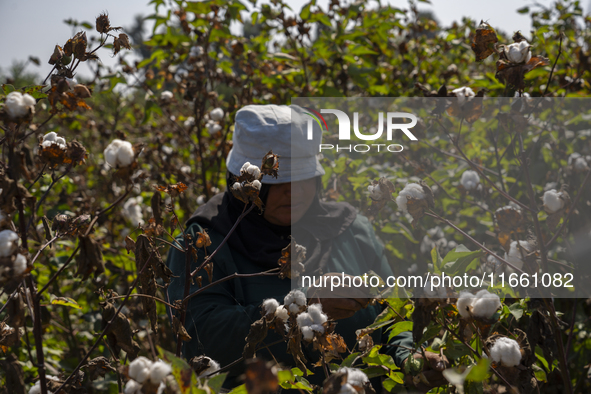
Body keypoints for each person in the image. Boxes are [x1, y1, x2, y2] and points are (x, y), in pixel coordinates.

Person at [166, 104, 447, 391]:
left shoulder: (351, 229)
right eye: (279, 180)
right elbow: (200, 341)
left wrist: (409, 359)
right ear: (243, 182)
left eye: (303, 177)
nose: (294, 191)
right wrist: (302, 311)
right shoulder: (204, 242)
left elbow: (393, 314)